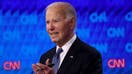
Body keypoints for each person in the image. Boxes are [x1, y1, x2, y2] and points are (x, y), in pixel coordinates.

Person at [32, 2, 102, 74]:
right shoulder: (45, 57)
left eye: (56, 21)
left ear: (71, 22)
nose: (50, 27)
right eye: (47, 22)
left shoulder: (90, 56)